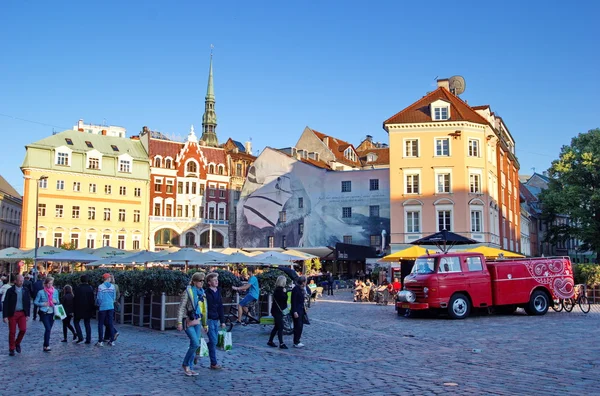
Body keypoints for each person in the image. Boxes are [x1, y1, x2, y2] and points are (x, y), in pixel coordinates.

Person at [176, 272, 207, 376]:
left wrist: (205, 324)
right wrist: (179, 322)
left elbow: (203, 309)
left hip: (197, 320)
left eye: (203, 281)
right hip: (188, 320)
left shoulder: (202, 293)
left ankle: (190, 367)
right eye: (200, 281)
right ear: (194, 281)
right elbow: (181, 307)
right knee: (195, 343)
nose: (202, 283)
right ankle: (185, 364)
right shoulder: (188, 292)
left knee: (194, 344)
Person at [2, 275, 30, 356]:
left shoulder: (25, 290)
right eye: (20, 281)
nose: (21, 282)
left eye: (22, 280)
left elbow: (27, 302)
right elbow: (6, 303)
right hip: (13, 313)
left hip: (22, 313)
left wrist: (27, 314)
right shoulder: (10, 291)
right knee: (12, 332)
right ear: (15, 281)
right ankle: (11, 348)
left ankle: (17, 342)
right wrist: (5, 316)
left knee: (23, 329)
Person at [204, 272, 226, 370]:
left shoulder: (218, 292)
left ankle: (198, 350)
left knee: (214, 341)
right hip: (208, 319)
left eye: (217, 279)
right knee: (213, 340)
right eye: (214, 280)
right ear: (209, 282)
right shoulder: (205, 293)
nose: (216, 281)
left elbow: (220, 307)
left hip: (216, 319)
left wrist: (222, 321)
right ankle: (213, 363)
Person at [34, 276, 59, 352]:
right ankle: (47, 345)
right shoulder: (41, 292)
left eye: (51, 283)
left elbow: (58, 301)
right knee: (47, 328)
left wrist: (56, 301)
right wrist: (43, 304)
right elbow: (35, 302)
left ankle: (45, 345)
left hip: (53, 312)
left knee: (49, 329)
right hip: (44, 312)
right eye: (48, 283)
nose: (50, 285)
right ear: (45, 284)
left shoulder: (55, 291)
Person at [267, 275, 289, 349]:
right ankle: (281, 343)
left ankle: (270, 341)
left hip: (276, 310)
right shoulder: (280, 290)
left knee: (277, 326)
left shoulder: (277, 289)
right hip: (277, 311)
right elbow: (284, 300)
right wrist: (285, 293)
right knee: (281, 326)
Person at [96, 273, 116, 347]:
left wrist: (99, 304)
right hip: (110, 306)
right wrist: (111, 302)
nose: (111, 279)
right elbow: (114, 297)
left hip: (103, 306)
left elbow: (99, 298)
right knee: (110, 323)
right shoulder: (112, 287)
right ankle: (112, 341)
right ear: (108, 278)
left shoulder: (101, 287)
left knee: (100, 324)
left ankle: (100, 341)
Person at [73, 274, 95, 344]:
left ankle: (80, 336)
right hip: (88, 308)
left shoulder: (78, 288)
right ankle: (88, 339)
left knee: (76, 322)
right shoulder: (90, 288)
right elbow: (92, 299)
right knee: (87, 323)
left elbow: (75, 299)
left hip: (79, 308)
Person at [103, 274, 120, 343]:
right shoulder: (116, 286)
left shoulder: (106, 286)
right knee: (109, 319)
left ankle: (114, 331)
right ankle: (106, 337)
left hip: (106, 304)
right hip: (113, 304)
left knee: (105, 320)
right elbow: (118, 295)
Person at [291, 276, 306, 348]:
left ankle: (297, 340)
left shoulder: (301, 289)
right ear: (303, 282)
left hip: (301, 309)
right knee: (298, 326)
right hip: (297, 310)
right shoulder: (295, 289)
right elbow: (293, 301)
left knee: (300, 326)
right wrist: (294, 311)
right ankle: (296, 341)